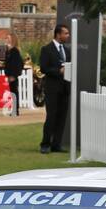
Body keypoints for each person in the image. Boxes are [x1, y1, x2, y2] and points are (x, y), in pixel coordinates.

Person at [39, 23, 70, 153]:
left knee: (62, 117)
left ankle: (56, 144)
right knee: (51, 116)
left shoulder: (67, 50)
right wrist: (59, 71)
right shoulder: (47, 49)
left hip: (65, 88)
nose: (68, 36)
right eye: (66, 33)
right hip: (52, 88)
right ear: (58, 34)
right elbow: (44, 68)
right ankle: (45, 144)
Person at [3, 36, 24, 116]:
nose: (6, 39)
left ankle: (15, 110)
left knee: (14, 92)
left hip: (13, 74)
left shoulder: (15, 51)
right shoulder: (9, 50)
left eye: (8, 38)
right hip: (10, 74)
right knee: (12, 92)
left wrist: (13, 75)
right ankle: (14, 109)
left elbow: (17, 64)